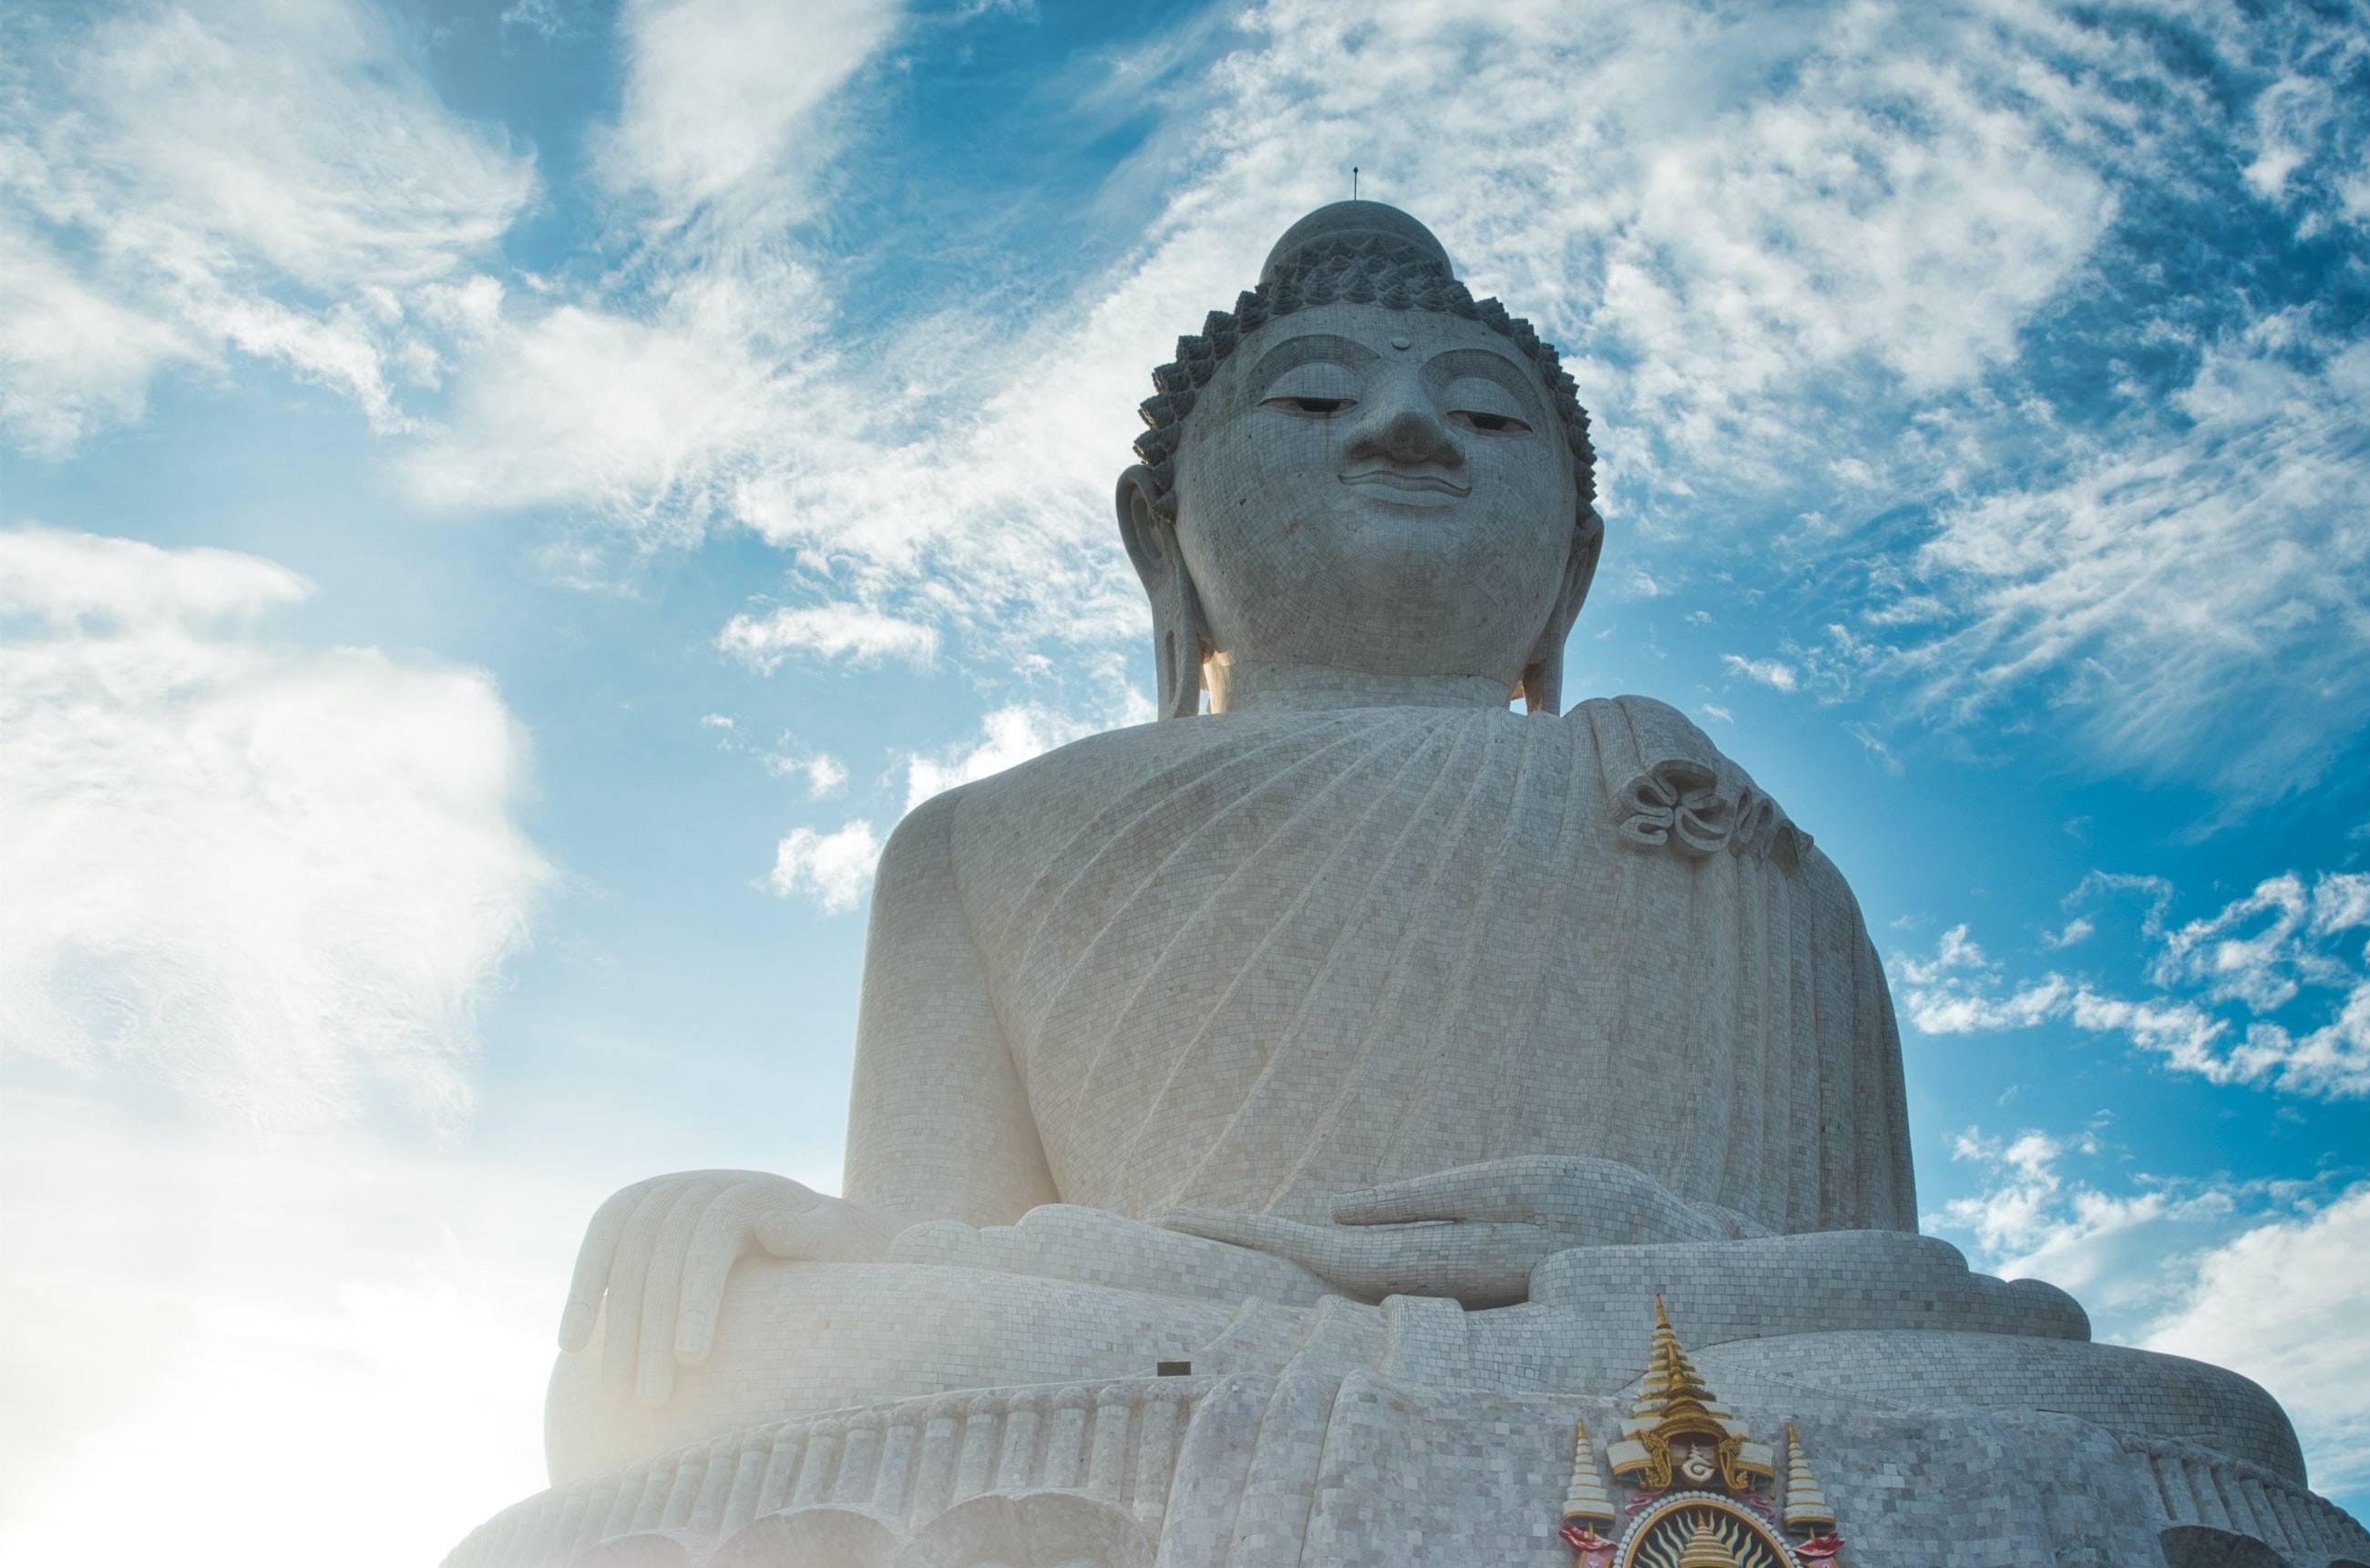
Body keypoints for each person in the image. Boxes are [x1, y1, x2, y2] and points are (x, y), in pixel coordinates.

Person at [543, 202, 1915, 1481]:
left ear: (1573, 563)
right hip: (1178, 1356)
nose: (1404, 429)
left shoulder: (1718, 831)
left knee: (2056, 1398)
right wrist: (786, 1255)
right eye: (1317, 395)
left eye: (1488, 417)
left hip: (1671, 1398)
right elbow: (931, 1264)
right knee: (692, 1375)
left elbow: (1889, 1311)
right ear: (1164, 538)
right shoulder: (971, 846)